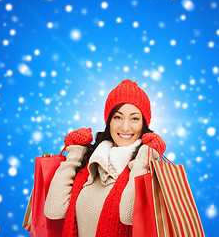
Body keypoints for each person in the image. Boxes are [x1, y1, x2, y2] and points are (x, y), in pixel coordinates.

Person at [44, 79, 166, 237]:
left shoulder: (145, 168)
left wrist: (144, 157)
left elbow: (128, 216)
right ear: (108, 121)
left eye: (134, 118)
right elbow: (53, 210)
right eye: (118, 117)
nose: (125, 127)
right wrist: (75, 153)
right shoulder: (91, 163)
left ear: (144, 124)